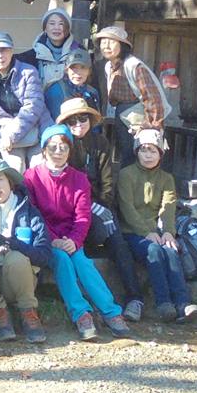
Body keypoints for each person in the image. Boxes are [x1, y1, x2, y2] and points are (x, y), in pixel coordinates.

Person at [23, 125, 131, 342]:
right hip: (44, 238)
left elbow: (83, 216)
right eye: (52, 147)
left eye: (63, 147)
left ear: (70, 151)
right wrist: (52, 240)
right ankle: (81, 314)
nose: (58, 151)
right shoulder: (31, 177)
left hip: (71, 237)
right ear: (44, 150)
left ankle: (111, 311)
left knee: (82, 262)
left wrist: (74, 240)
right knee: (62, 260)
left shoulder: (79, 179)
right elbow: (33, 214)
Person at [59, 97, 145, 321]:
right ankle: (84, 306)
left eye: (83, 118)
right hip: (72, 210)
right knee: (77, 250)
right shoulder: (61, 146)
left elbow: (108, 181)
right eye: (72, 121)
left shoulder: (100, 143)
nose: (78, 124)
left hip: (100, 205)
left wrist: (101, 205)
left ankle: (135, 298)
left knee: (118, 241)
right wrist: (88, 207)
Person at [117, 129, 197, 323]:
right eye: (143, 150)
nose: (148, 155)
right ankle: (163, 303)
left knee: (170, 250)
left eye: (153, 151)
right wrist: (146, 232)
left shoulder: (166, 178)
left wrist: (169, 232)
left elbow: (168, 207)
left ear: (160, 153)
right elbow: (127, 208)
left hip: (157, 231)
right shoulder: (126, 175)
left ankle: (183, 303)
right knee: (153, 250)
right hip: (133, 232)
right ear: (137, 152)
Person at [0, 157, 52, 343]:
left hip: (20, 279)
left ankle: (28, 312)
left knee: (16, 258)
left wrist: (12, 243)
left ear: (10, 182)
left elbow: (44, 255)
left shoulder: (29, 211)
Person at [0, 32, 52, 172]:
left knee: (39, 170)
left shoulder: (28, 72)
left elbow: (33, 107)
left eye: (3, 50)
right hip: (5, 129)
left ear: (11, 51)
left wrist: (11, 135)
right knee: (14, 170)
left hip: (36, 127)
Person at [94, 24, 170, 162]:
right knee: (126, 156)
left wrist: (151, 125)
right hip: (122, 114)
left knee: (141, 157)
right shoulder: (109, 66)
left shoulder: (133, 65)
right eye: (103, 42)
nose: (106, 46)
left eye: (111, 42)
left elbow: (152, 97)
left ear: (122, 45)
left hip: (139, 117)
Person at [18, 7, 83, 114]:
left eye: (61, 24)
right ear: (45, 28)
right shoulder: (30, 56)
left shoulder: (79, 53)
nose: (56, 28)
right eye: (52, 23)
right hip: (40, 111)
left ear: (67, 28)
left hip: (72, 111)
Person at [47, 47, 102, 117]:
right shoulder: (55, 91)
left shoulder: (93, 93)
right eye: (73, 67)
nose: (78, 72)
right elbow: (55, 121)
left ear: (89, 71)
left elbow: (96, 120)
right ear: (66, 70)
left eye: (83, 67)